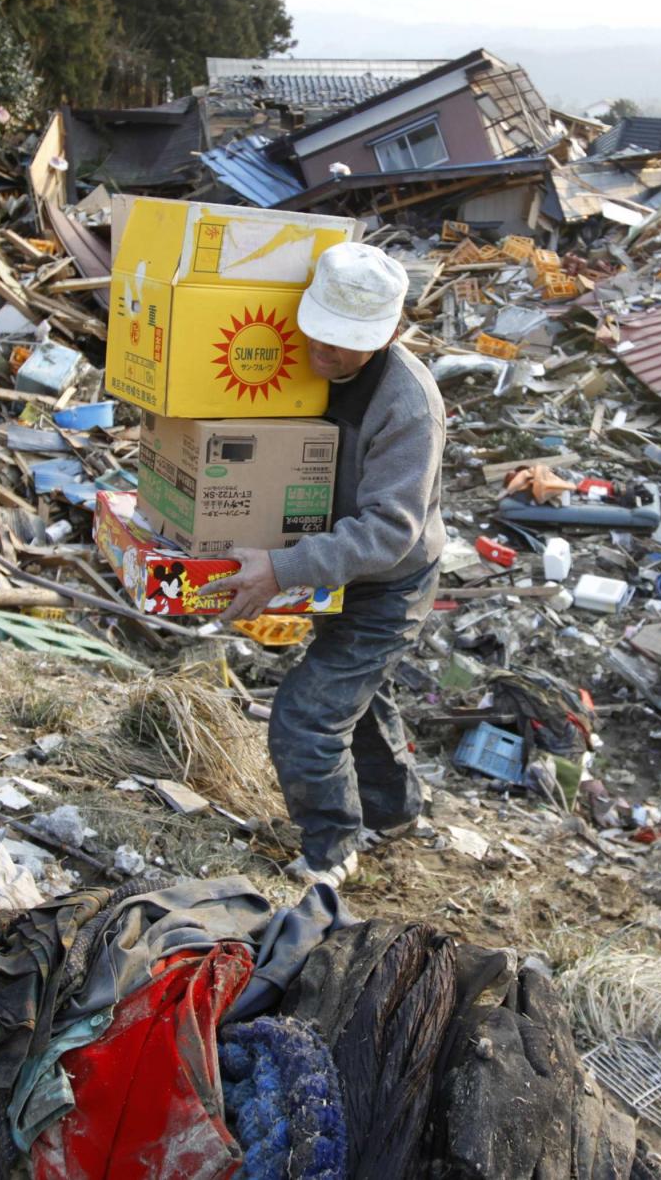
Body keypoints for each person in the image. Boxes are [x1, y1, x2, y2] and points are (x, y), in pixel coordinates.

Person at [201, 242, 445, 887]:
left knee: (308, 715)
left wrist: (284, 568)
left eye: (343, 341)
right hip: (337, 564)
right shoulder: (296, 354)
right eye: (319, 332)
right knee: (357, 696)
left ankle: (330, 853)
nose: (323, 351)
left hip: (390, 581)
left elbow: (392, 529)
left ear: (390, 332)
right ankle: (394, 812)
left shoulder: (407, 404)